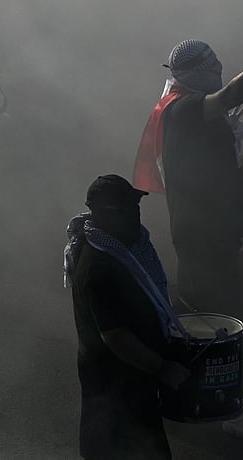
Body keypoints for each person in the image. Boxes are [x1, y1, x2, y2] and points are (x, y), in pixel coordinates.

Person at [133, 37, 243, 443]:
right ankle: (230, 408)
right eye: (214, 62)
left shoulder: (179, 105)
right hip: (206, 233)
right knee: (221, 317)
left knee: (199, 311)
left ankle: (188, 393)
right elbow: (232, 93)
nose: (220, 66)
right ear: (199, 70)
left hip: (200, 229)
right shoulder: (187, 107)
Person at [65, 175, 189, 460]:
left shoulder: (113, 248)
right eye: (128, 209)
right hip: (115, 385)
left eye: (136, 207)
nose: (136, 215)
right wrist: (163, 368)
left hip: (131, 381)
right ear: (105, 215)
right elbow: (116, 337)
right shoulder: (100, 267)